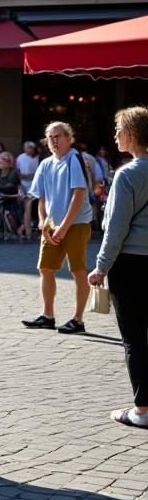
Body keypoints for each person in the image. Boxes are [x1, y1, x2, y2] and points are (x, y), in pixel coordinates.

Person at [89, 108, 148, 429]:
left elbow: (115, 228)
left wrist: (100, 266)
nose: (115, 136)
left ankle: (143, 409)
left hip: (131, 262)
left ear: (133, 134)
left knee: (134, 338)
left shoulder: (128, 174)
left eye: (119, 130)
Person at [23, 121, 95, 335]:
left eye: (58, 136)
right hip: (53, 225)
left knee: (77, 270)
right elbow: (42, 198)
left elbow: (79, 195)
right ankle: (47, 316)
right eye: (50, 137)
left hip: (77, 223)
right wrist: (42, 221)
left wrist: (64, 227)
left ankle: (78, 320)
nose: (54, 141)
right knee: (45, 268)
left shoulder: (74, 159)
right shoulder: (45, 164)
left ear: (69, 138)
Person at [0, 151, 24, 240]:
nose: (1, 162)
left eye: (3, 160)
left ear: (9, 162)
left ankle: (14, 231)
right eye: (0, 160)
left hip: (11, 197)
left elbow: (11, 185)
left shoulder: (13, 173)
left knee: (8, 212)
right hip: (0, 197)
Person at [16, 141, 41, 240]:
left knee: (32, 207)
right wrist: (21, 176)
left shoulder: (37, 158)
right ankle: (26, 229)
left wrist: (31, 176)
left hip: (35, 185)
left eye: (30, 148)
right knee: (24, 207)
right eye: (27, 148)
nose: (28, 150)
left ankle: (27, 230)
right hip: (23, 184)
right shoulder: (20, 157)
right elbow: (17, 170)